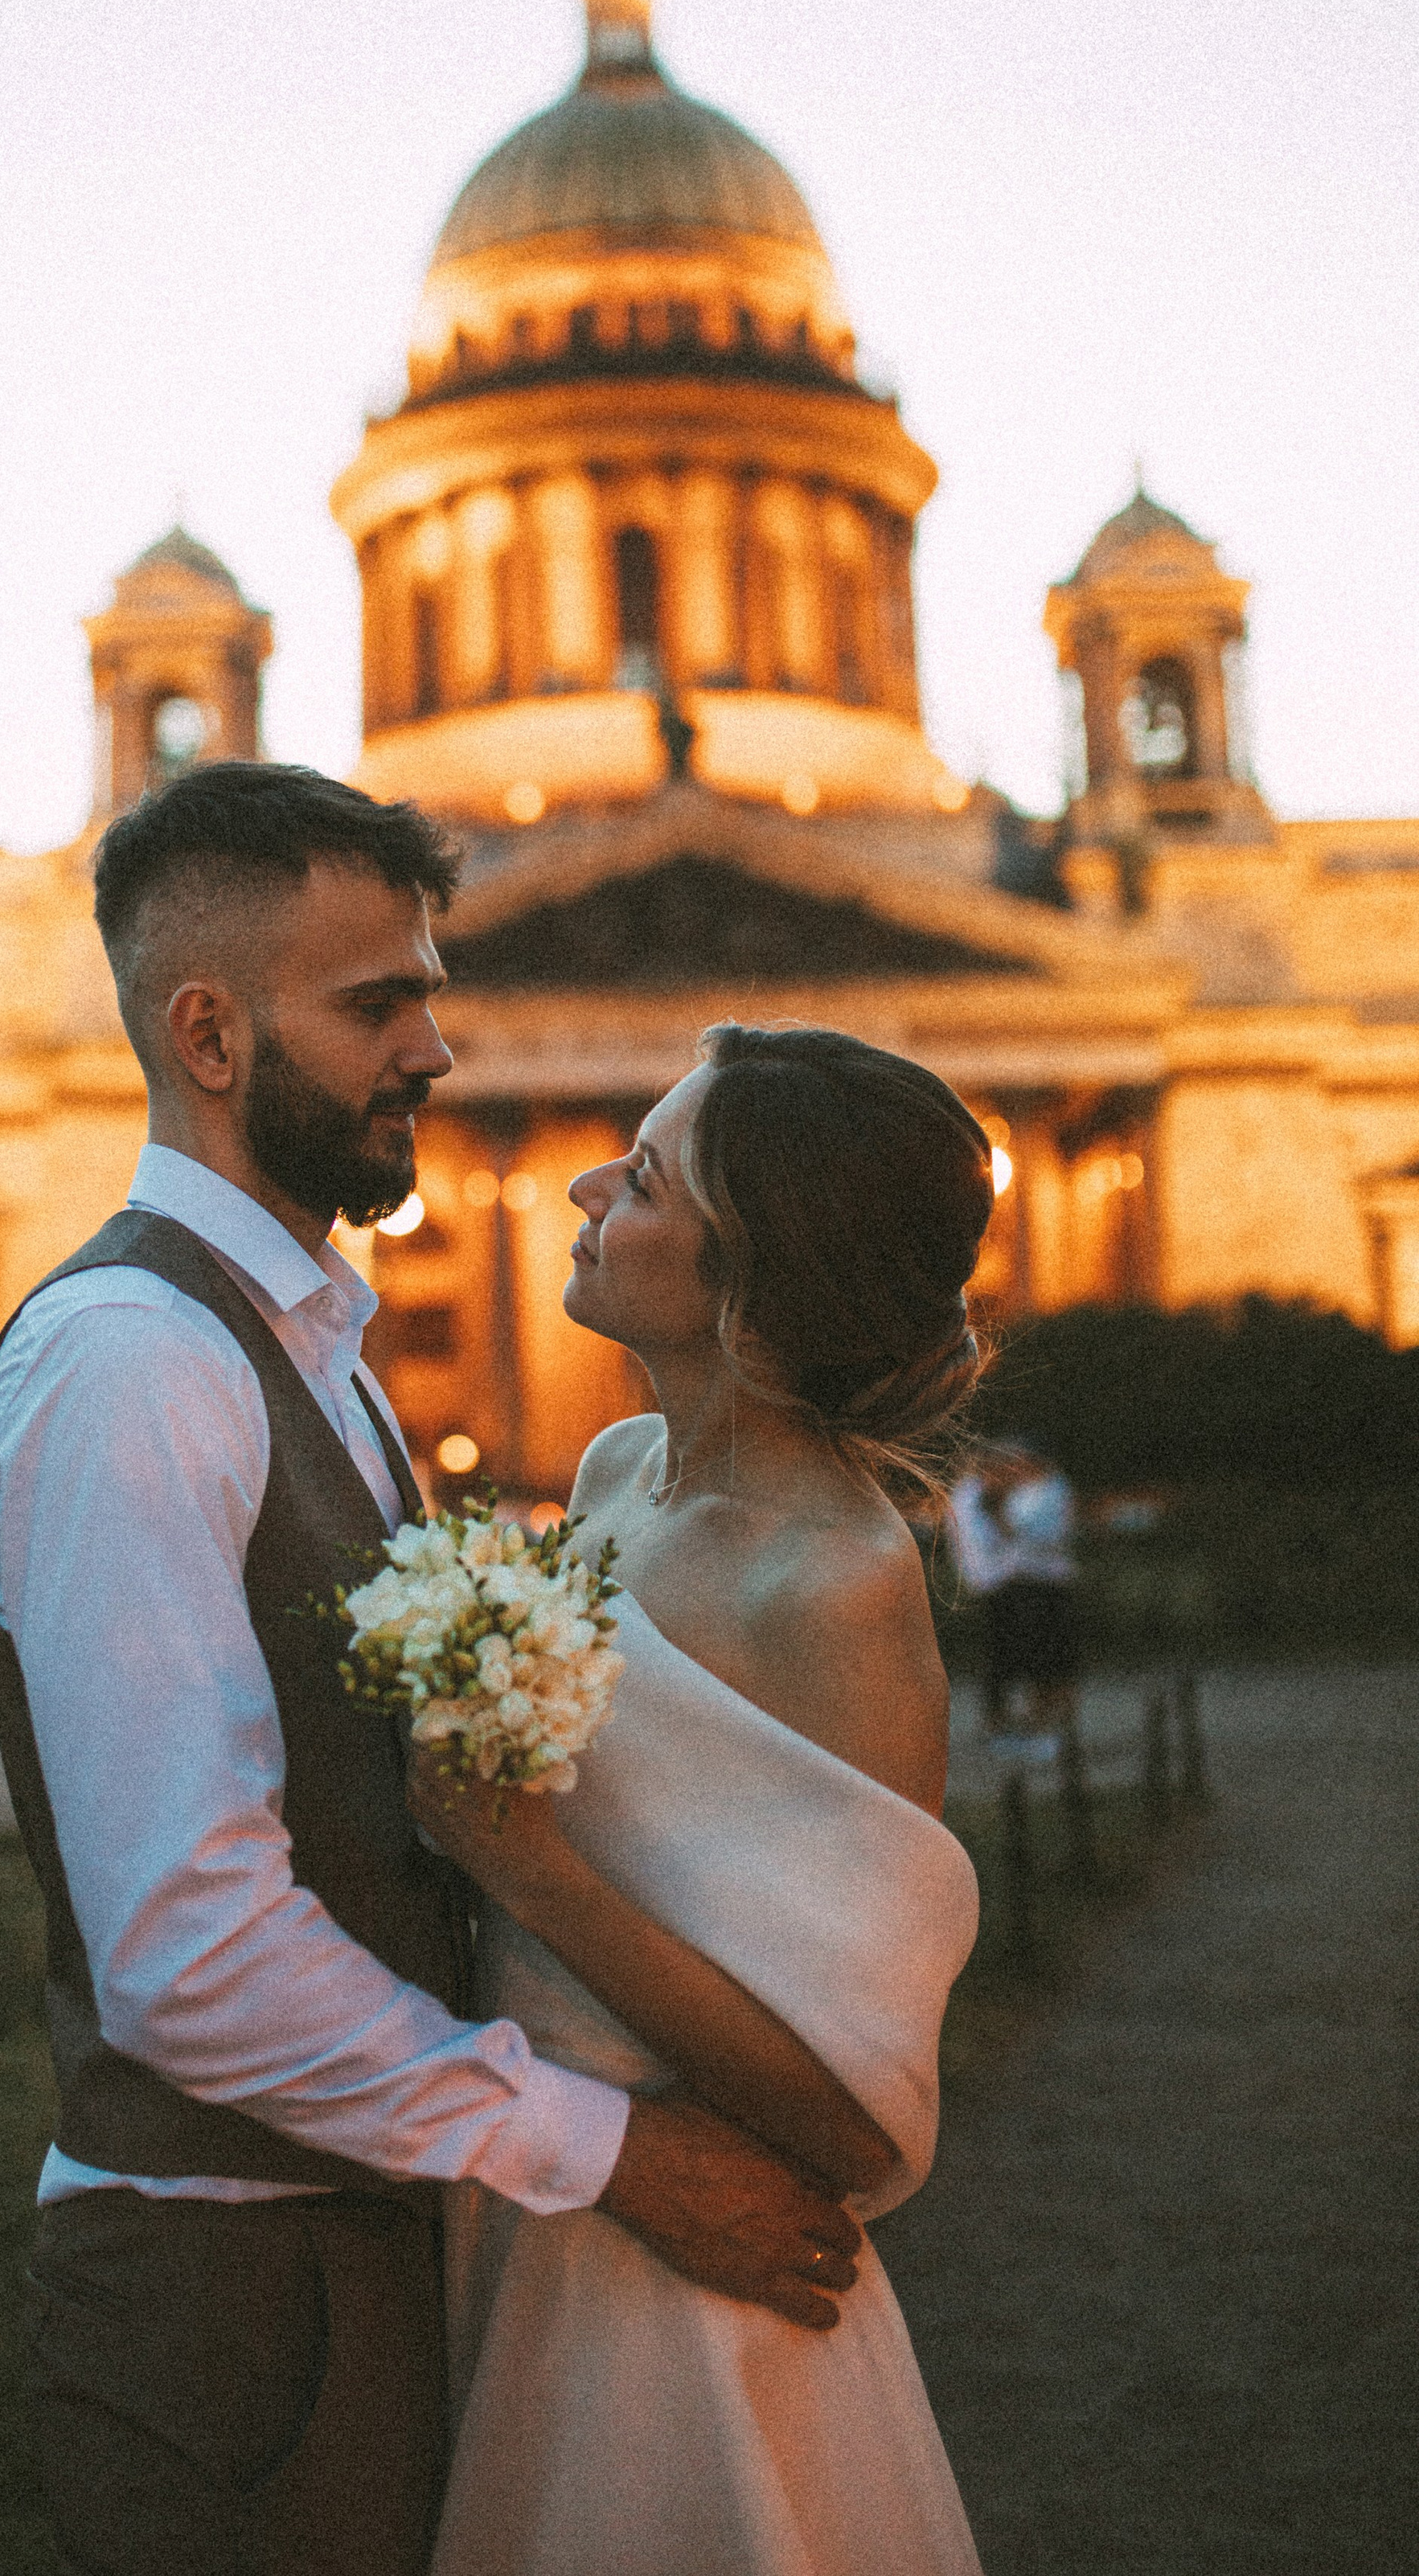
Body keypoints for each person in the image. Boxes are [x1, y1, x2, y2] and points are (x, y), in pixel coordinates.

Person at [0, 768, 864, 2576]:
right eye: (380, 1002)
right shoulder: (135, 1365)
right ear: (205, 1032)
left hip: (361, 2234)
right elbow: (187, 1957)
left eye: (428, 990)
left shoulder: (305, 1346)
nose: (438, 1048)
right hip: (233, 2274)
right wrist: (619, 2154)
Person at [416, 1023, 993, 2576]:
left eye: (650, 1177)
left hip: (688, 2287)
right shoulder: (615, 1471)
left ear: (755, 1273)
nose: (592, 1180)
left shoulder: (837, 1587)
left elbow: (850, 2118)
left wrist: (523, 1871)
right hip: (526, 2198)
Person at [947, 1440, 1081, 1757]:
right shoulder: (974, 1498)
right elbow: (987, 1544)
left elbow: (1030, 1538)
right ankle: (1007, 1729)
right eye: (1008, 1466)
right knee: (1009, 1658)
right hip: (1001, 1585)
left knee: (1038, 1656)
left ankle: (1034, 1727)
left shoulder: (1033, 1492)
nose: (1013, 1472)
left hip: (1019, 1583)